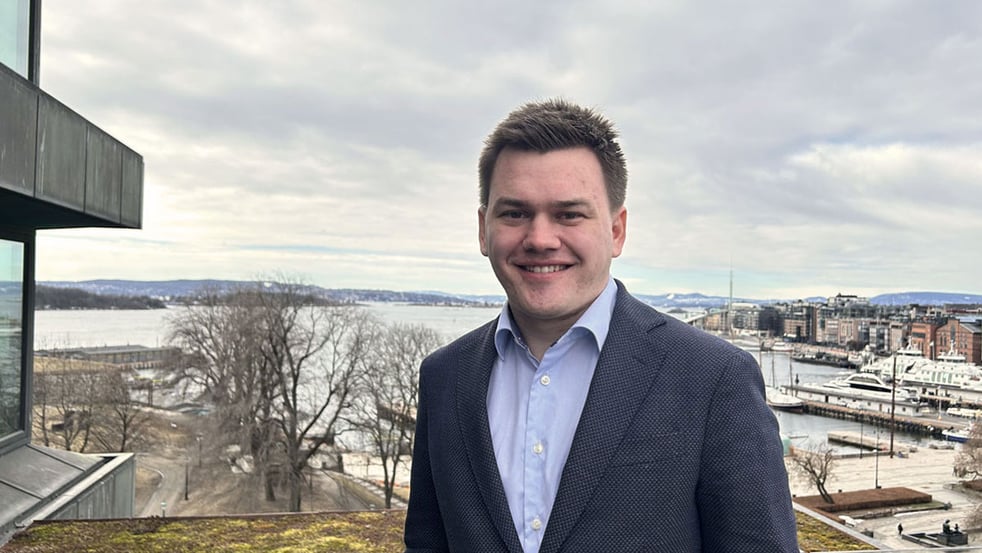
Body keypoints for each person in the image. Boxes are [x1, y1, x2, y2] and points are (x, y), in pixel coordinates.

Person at [404, 99, 799, 552]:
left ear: (616, 231)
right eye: (514, 213)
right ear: (483, 229)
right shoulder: (445, 376)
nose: (540, 239)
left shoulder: (712, 379)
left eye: (569, 214)